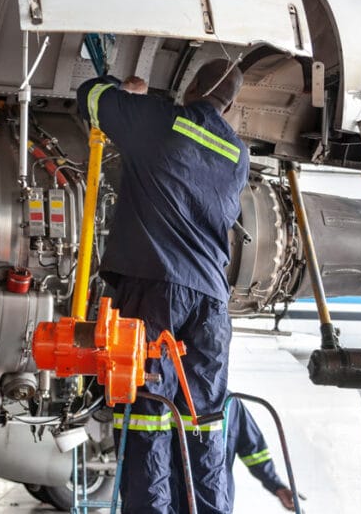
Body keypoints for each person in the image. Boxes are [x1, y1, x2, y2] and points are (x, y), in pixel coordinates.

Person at [77, 59, 249, 514]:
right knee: (206, 425)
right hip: (211, 304)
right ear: (230, 104)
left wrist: (125, 90)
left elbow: (90, 97)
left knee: (147, 419)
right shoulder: (237, 153)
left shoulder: (159, 120)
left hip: (157, 292)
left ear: (190, 86)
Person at [224, 395, 295, 511]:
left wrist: (276, 485)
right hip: (217, 500)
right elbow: (254, 451)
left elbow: (255, 452)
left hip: (218, 500)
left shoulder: (230, 403)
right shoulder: (229, 401)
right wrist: (275, 484)